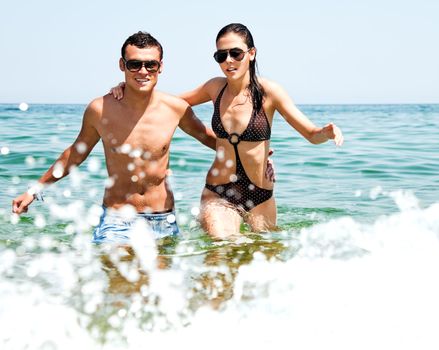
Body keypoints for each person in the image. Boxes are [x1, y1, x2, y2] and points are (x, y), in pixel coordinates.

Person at [111, 23, 343, 240]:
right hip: (219, 192)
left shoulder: (270, 93)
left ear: (251, 53)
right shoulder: (215, 87)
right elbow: (167, 103)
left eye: (236, 53)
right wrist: (128, 88)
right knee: (225, 247)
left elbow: (311, 134)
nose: (228, 61)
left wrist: (326, 132)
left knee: (266, 253)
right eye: (221, 56)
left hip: (261, 193)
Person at [11, 31, 220, 244]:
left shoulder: (175, 108)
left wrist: (253, 161)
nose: (143, 71)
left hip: (163, 219)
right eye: (134, 64)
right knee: (117, 275)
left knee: (161, 274)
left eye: (151, 65)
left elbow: (211, 140)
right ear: (122, 65)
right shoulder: (100, 109)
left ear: (161, 67)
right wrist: (35, 189)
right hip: (117, 219)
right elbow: (75, 154)